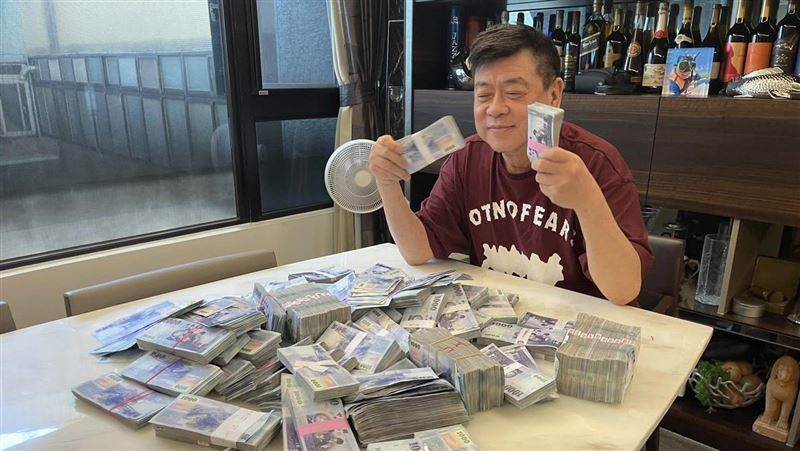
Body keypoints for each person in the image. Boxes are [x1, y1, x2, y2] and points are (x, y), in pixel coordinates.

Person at [369, 25, 653, 306]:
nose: (495, 109)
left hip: (580, 321)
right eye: (483, 95)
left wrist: (587, 200)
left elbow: (623, 290)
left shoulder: (595, 162)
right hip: (500, 315)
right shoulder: (466, 159)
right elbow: (417, 251)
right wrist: (387, 182)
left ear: (554, 94)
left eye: (514, 93)